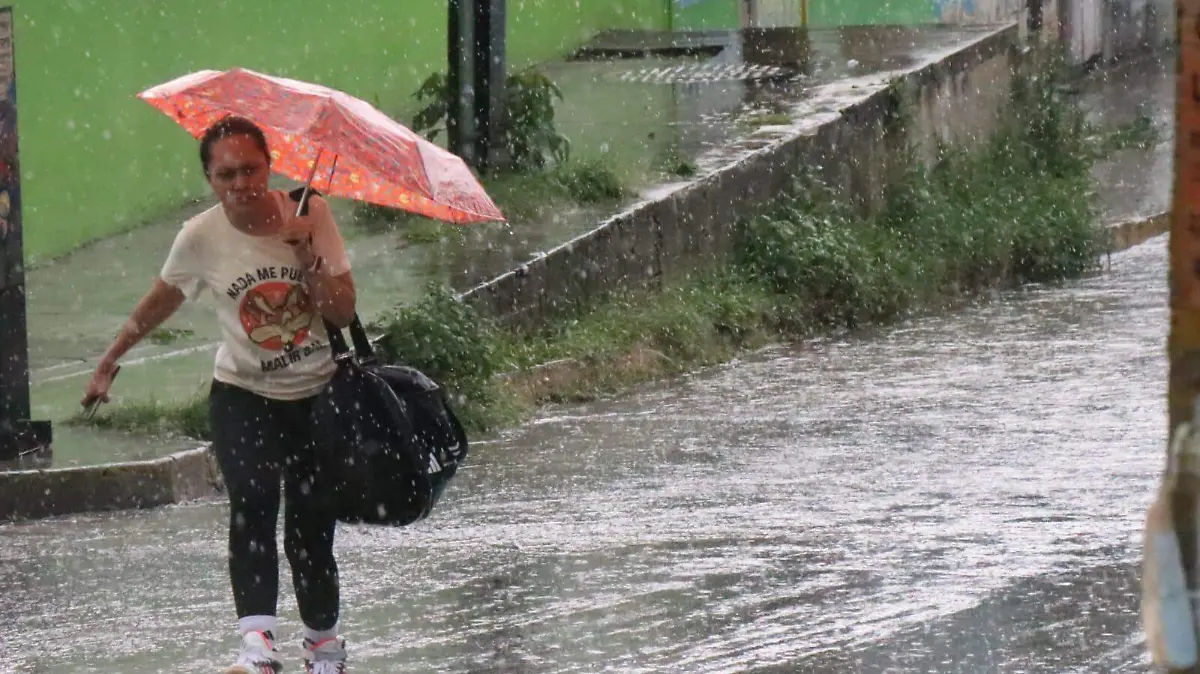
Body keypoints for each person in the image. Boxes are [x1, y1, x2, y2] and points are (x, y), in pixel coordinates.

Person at [82, 116, 356, 674]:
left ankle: (324, 647)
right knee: (252, 502)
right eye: (225, 174)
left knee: (310, 527)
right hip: (242, 394)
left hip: (316, 395)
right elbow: (160, 300)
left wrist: (308, 258)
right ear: (209, 178)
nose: (240, 184)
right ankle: (257, 649)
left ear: (269, 166)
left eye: (250, 169)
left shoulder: (312, 212)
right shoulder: (200, 237)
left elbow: (342, 311)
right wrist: (111, 359)